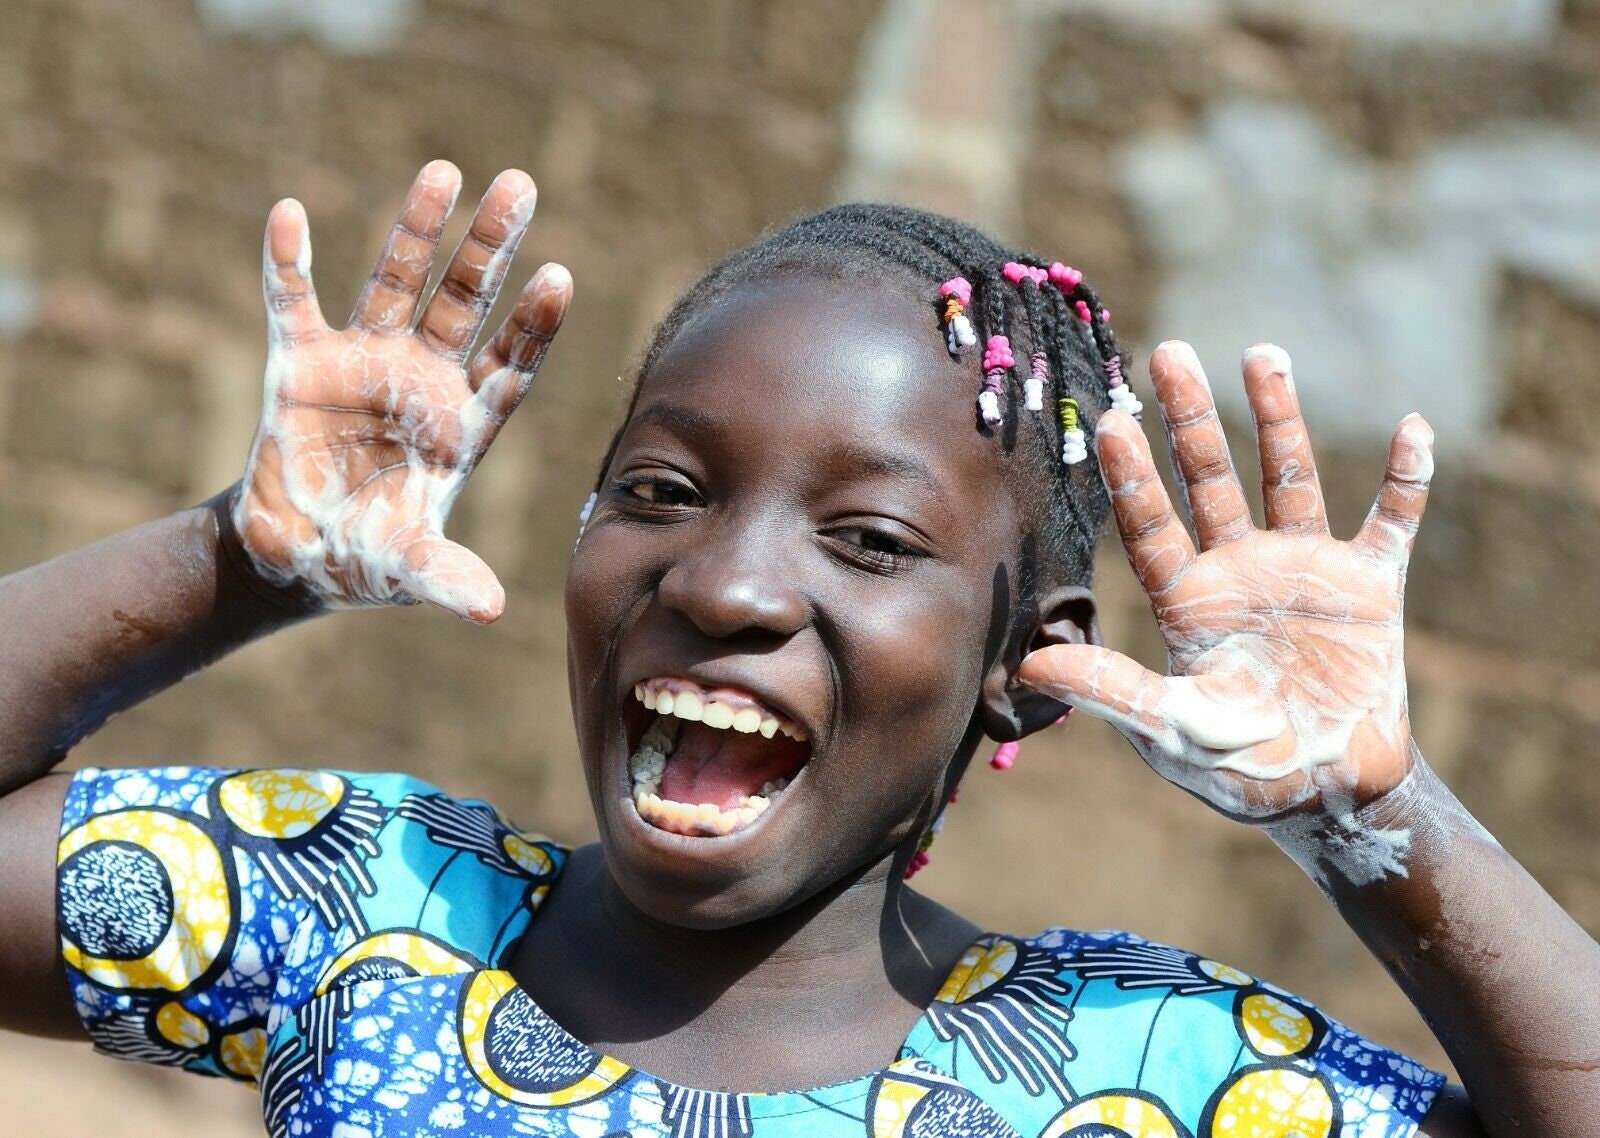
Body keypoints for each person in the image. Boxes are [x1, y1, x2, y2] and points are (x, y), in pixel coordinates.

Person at [0, 160, 1593, 1138]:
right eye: (663, 491)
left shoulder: (1132, 1072)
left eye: (870, 539)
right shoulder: (374, 913)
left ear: (1016, 661)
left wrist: (1378, 823)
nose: (730, 583)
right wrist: (241, 554)